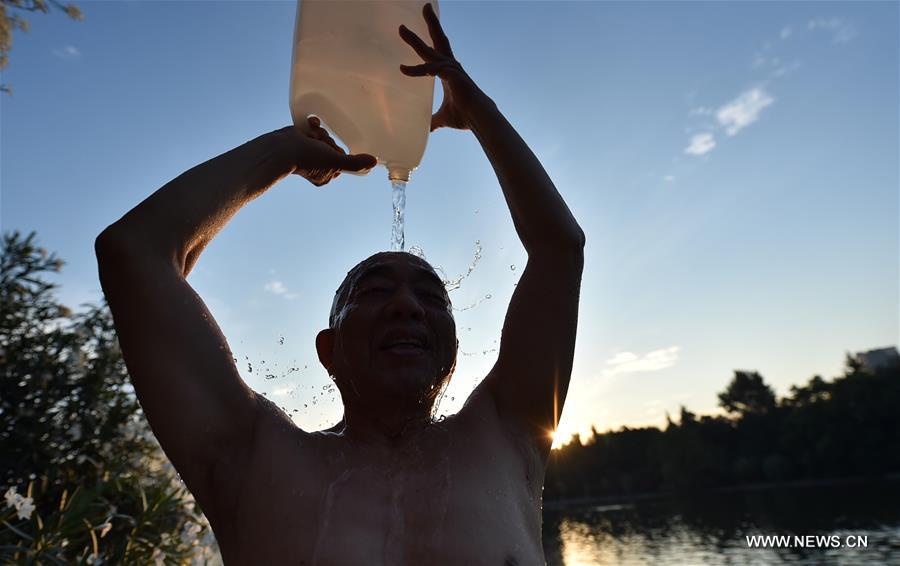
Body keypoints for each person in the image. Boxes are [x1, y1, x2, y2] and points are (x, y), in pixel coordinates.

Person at [95, 4, 584, 565]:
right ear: (328, 350)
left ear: (452, 348)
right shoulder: (254, 458)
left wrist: (479, 110)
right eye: (373, 291)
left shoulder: (508, 435)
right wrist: (283, 151)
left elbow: (559, 250)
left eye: (432, 297)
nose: (407, 306)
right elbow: (134, 252)